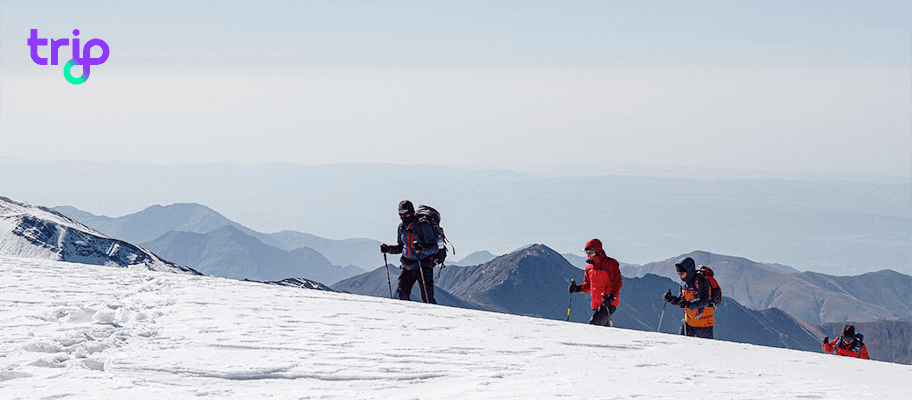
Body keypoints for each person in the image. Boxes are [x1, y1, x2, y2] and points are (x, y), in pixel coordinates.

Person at [380, 200, 438, 304]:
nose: (402, 217)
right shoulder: (401, 227)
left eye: (404, 214)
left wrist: (422, 249)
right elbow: (401, 247)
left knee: (427, 299)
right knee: (402, 295)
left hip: (423, 266)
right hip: (407, 266)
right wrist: (388, 249)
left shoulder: (423, 225)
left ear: (410, 212)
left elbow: (434, 247)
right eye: (400, 214)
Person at [568, 238, 623, 326]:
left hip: (609, 303)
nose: (588, 255)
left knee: (593, 326)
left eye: (590, 252)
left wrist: (611, 297)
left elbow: (618, 282)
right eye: (587, 253)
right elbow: (588, 285)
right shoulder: (589, 268)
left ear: (597, 251)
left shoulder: (611, 264)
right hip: (595, 304)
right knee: (601, 333)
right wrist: (577, 288)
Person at [663, 256, 715, 339]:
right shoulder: (684, 284)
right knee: (682, 348)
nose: (681, 276)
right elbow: (682, 301)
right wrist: (671, 299)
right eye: (679, 274)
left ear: (689, 270)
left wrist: (688, 304)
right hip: (688, 322)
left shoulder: (702, 281)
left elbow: (704, 301)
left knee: (705, 351)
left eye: (682, 273)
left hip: (704, 324)